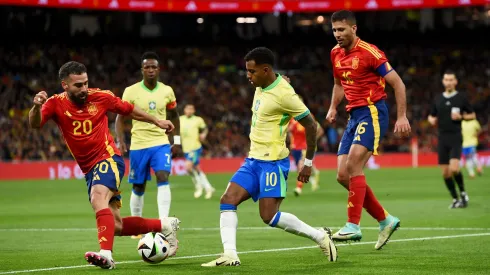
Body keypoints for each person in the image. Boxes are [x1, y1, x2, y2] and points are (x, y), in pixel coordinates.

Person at [28, 61, 180, 269]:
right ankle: (165, 225)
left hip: (108, 159)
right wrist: (36, 106)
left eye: (85, 83)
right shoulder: (55, 103)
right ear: (65, 85)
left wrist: (158, 121)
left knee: (97, 197)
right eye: (78, 85)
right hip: (89, 169)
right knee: (116, 226)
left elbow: (129, 110)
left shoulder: (101, 97)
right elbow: (35, 124)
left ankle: (106, 255)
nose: (84, 89)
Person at [201, 47, 337, 267]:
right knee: (227, 200)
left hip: (273, 162)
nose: (248, 76)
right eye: (247, 71)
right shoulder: (263, 84)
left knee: (269, 216)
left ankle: (320, 237)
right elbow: (278, 80)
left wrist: (308, 163)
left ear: (265, 70)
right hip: (253, 160)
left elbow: (311, 126)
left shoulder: (285, 95)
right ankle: (230, 254)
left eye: (252, 72)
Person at [326, 10, 410, 249]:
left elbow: (398, 83)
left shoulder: (370, 52)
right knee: (343, 175)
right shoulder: (335, 53)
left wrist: (401, 115)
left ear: (354, 29)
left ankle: (353, 225)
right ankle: (385, 220)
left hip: (373, 111)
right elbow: (338, 83)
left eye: (341, 29)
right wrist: (333, 107)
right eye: (334, 30)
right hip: (354, 116)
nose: (337, 34)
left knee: (353, 165)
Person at [115, 52, 181, 239]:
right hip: (139, 144)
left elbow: (174, 115)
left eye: (154, 67)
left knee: (162, 175)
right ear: (142, 70)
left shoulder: (167, 91)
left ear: (159, 70)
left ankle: (164, 222)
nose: (151, 70)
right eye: (147, 67)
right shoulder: (131, 91)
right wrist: (120, 141)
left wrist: (176, 141)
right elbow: (120, 117)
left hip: (160, 142)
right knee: (139, 186)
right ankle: (136, 224)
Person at [428, 70, 475, 208]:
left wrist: (461, 117)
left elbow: (472, 115)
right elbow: (432, 115)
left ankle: (463, 193)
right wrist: (431, 120)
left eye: (451, 80)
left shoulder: (461, 98)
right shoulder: (438, 99)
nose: (448, 82)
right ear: (443, 82)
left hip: (455, 137)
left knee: (454, 168)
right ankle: (455, 199)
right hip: (442, 138)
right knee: (445, 172)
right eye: (446, 80)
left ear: (455, 82)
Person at [180, 104, 215, 199]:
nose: (189, 111)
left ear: (194, 111)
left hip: (195, 147)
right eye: (187, 109)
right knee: (197, 168)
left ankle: (199, 186)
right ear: (184, 110)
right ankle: (208, 188)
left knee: (188, 167)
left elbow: (205, 128)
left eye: (191, 109)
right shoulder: (180, 119)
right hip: (186, 148)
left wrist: (203, 134)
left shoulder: (198, 120)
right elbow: (176, 132)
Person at [288, 110, 324, 196]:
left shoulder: (307, 116)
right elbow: (288, 130)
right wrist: (291, 141)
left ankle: (298, 188)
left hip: (305, 147)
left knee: (301, 166)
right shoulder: (292, 119)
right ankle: (315, 173)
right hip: (295, 147)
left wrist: (313, 139)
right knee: (299, 167)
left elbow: (319, 129)